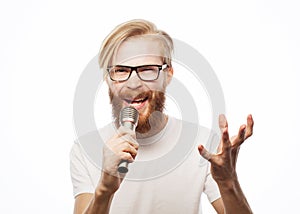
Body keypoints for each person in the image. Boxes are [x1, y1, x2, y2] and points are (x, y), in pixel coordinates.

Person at [70, 19, 254, 214]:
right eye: (121, 70)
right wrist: (104, 190)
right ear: (108, 78)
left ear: (168, 74)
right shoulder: (84, 149)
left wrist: (227, 182)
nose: (133, 84)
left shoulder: (202, 143)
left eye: (147, 70)